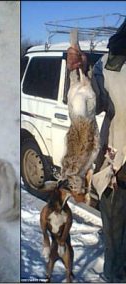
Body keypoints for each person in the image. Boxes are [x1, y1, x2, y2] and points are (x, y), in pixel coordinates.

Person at [67, 19, 126, 282]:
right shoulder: (112, 63)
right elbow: (93, 103)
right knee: (116, 241)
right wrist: (79, 73)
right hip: (119, 169)